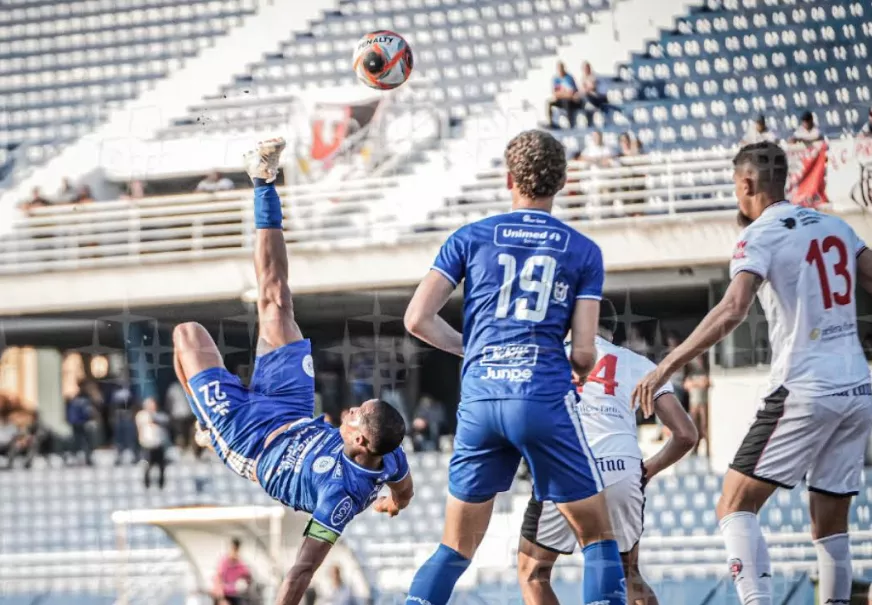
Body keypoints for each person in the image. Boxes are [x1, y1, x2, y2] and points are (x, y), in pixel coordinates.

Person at [172, 138, 413, 605]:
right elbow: (404, 491)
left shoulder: (338, 499)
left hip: (246, 439)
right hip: (290, 408)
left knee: (187, 333)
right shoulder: (391, 456)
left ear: (360, 441)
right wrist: (391, 503)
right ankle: (263, 180)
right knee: (277, 300)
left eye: (354, 416)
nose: (346, 411)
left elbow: (300, 573)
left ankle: (206, 420)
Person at [633, 141, 872, 605]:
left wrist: (668, 364)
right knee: (830, 521)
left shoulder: (759, 234)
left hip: (806, 385)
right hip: (858, 387)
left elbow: (733, 308)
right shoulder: (836, 225)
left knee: (734, 505)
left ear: (746, 184)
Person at [403, 130, 626, 605]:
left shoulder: (468, 238)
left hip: (482, 397)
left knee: (454, 549)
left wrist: (475, 349)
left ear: (508, 179)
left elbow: (417, 318)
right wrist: (574, 369)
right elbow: (584, 354)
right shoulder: (583, 250)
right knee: (598, 539)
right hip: (542, 395)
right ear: (562, 183)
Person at [518, 298, 697, 605]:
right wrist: (648, 469)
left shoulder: (546, 358)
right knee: (628, 575)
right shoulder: (638, 363)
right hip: (622, 466)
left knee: (533, 572)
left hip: (566, 467)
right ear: (612, 333)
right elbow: (686, 434)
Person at [136, 397, 170, 490]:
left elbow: (164, 421)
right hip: (147, 444)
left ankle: (161, 484)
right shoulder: (142, 415)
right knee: (147, 465)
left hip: (158, 444)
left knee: (161, 465)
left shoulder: (160, 415)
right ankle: (146, 484)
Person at [683, 355, 710, 456]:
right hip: (694, 404)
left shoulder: (705, 373)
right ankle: (695, 449)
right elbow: (686, 385)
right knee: (694, 427)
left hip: (703, 403)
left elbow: (706, 383)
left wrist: (694, 384)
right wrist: (697, 383)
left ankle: (707, 450)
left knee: (704, 427)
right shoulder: (691, 374)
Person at [213, 538, 252, 605]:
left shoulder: (240, 564)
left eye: (236, 550)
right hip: (222, 596)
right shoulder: (223, 563)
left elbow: (248, 577)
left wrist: (247, 580)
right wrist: (221, 599)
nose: (234, 552)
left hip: (235, 595)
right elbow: (218, 581)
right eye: (233, 549)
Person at [546, 61, 580, 129]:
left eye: (561, 68)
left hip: (570, 101)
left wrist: (563, 94)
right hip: (561, 99)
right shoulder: (556, 79)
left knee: (566, 102)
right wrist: (564, 94)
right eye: (559, 68)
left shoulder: (569, 78)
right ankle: (551, 123)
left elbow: (572, 92)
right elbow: (555, 93)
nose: (560, 70)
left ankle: (571, 124)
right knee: (549, 103)